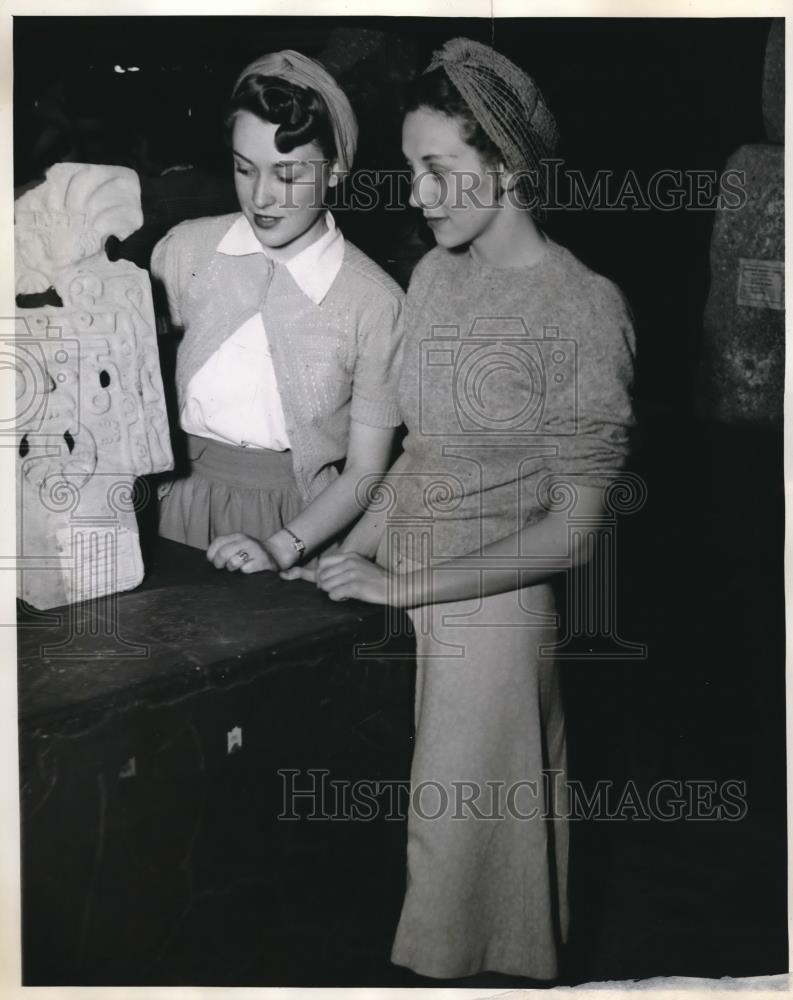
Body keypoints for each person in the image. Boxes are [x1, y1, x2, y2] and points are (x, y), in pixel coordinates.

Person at [304, 38, 637, 980]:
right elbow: (419, 454)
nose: (418, 193)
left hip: (488, 624)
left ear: (508, 165)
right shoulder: (436, 276)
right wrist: (331, 555)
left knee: (462, 891)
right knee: (385, 871)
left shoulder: (581, 307)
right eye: (411, 169)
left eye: (438, 169)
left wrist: (392, 580)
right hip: (396, 591)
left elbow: (571, 534)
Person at [150, 50, 404, 573]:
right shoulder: (183, 253)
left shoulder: (376, 303)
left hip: (301, 524)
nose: (261, 197)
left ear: (334, 170)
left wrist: (280, 547)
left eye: (287, 176)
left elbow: (364, 471)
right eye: (245, 169)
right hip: (177, 504)